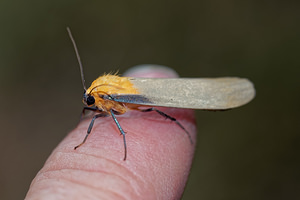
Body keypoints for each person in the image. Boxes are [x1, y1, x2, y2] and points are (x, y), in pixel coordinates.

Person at [25, 65, 196, 199]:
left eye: (91, 100)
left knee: (150, 109)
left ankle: (177, 124)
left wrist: (117, 137)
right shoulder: (98, 93)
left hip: (131, 97)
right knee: (94, 115)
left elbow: (110, 112)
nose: (90, 103)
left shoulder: (105, 97)